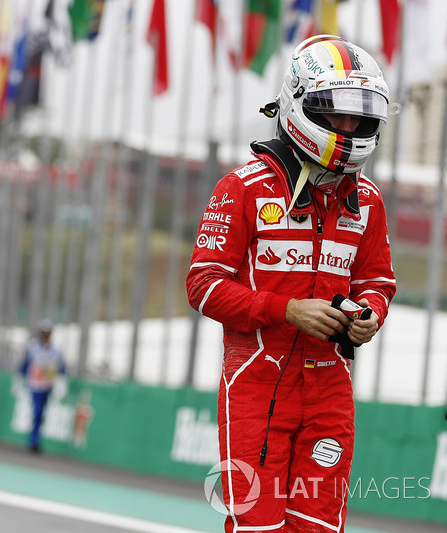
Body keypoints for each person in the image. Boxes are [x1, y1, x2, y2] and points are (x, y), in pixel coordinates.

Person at [185, 35, 397, 532]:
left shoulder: (368, 200)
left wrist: (368, 316)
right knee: (257, 528)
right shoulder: (241, 188)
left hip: (330, 389)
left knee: (320, 528)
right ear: (297, 105)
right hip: (256, 384)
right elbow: (202, 285)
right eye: (335, 114)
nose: (348, 127)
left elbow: (378, 282)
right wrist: (288, 310)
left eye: (359, 117)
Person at [18, 319, 66, 454]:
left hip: (48, 385)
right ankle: (33, 440)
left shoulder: (56, 350)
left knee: (42, 413)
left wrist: (62, 382)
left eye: (48, 333)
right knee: (37, 411)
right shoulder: (32, 347)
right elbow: (25, 364)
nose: (46, 335)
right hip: (35, 385)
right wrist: (20, 378)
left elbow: (61, 367)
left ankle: (36, 439)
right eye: (44, 333)